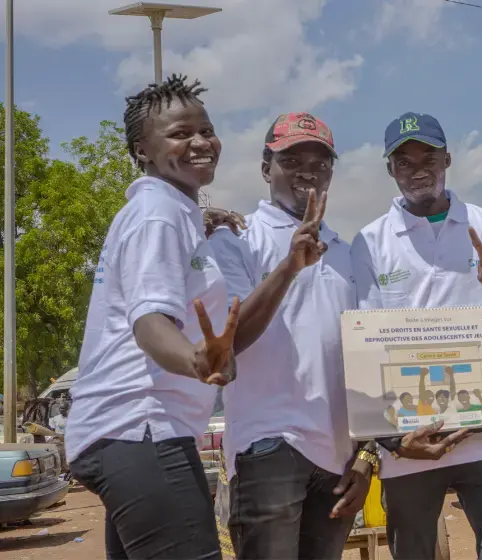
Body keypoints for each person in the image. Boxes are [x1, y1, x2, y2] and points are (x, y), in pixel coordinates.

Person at [352, 111, 482, 560]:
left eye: (428, 156)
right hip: (409, 447)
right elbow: (366, 349)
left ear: (448, 158)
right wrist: (388, 442)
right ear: (390, 170)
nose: (418, 169)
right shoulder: (368, 242)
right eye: (404, 162)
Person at [66, 74, 239, 560]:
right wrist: (194, 359)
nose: (201, 142)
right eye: (180, 134)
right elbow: (148, 322)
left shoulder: (170, 212)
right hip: (142, 427)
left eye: (205, 129)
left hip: (129, 434)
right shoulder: (158, 215)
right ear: (142, 150)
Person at [208, 112, 376, 559]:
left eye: (321, 163)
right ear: (266, 169)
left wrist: (367, 457)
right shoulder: (236, 239)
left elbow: (367, 358)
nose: (308, 171)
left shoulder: (345, 251)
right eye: (292, 159)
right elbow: (229, 343)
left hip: (339, 457)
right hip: (269, 447)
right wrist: (288, 267)